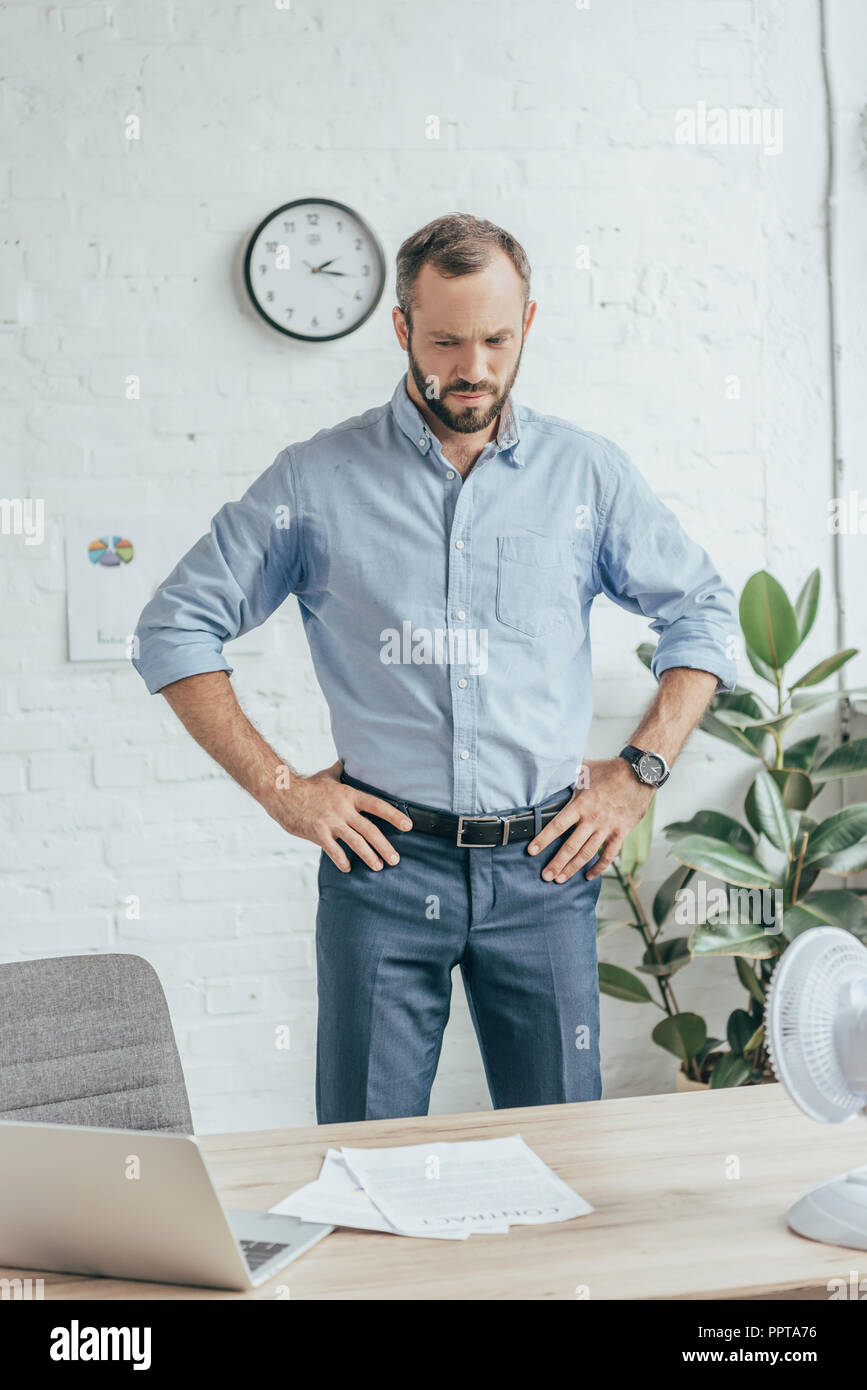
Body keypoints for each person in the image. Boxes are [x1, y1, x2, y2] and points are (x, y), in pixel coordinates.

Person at [132, 212, 739, 1123]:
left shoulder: (587, 477)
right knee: (361, 1159)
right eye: (447, 340)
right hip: (383, 869)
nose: (475, 369)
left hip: (545, 870)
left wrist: (638, 773)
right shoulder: (315, 480)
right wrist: (282, 789)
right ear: (402, 329)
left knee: (566, 1148)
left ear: (527, 324)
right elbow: (174, 628)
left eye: (496, 339)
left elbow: (703, 609)